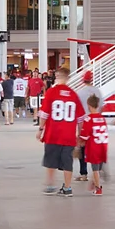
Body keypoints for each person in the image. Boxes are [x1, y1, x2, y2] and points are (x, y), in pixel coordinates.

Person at [39, 65, 85, 195]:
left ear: (57, 77)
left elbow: (44, 114)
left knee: (50, 160)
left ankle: (50, 185)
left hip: (53, 133)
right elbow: (81, 118)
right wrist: (80, 135)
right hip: (69, 135)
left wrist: (40, 129)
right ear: (68, 78)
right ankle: (67, 187)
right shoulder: (73, 95)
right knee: (67, 162)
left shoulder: (51, 92)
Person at [80, 92, 110, 194]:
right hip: (103, 145)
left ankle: (98, 188)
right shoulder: (102, 118)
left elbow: (85, 135)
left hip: (94, 146)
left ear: (88, 106)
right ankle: (94, 182)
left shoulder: (88, 119)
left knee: (95, 168)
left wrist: (79, 141)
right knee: (98, 167)